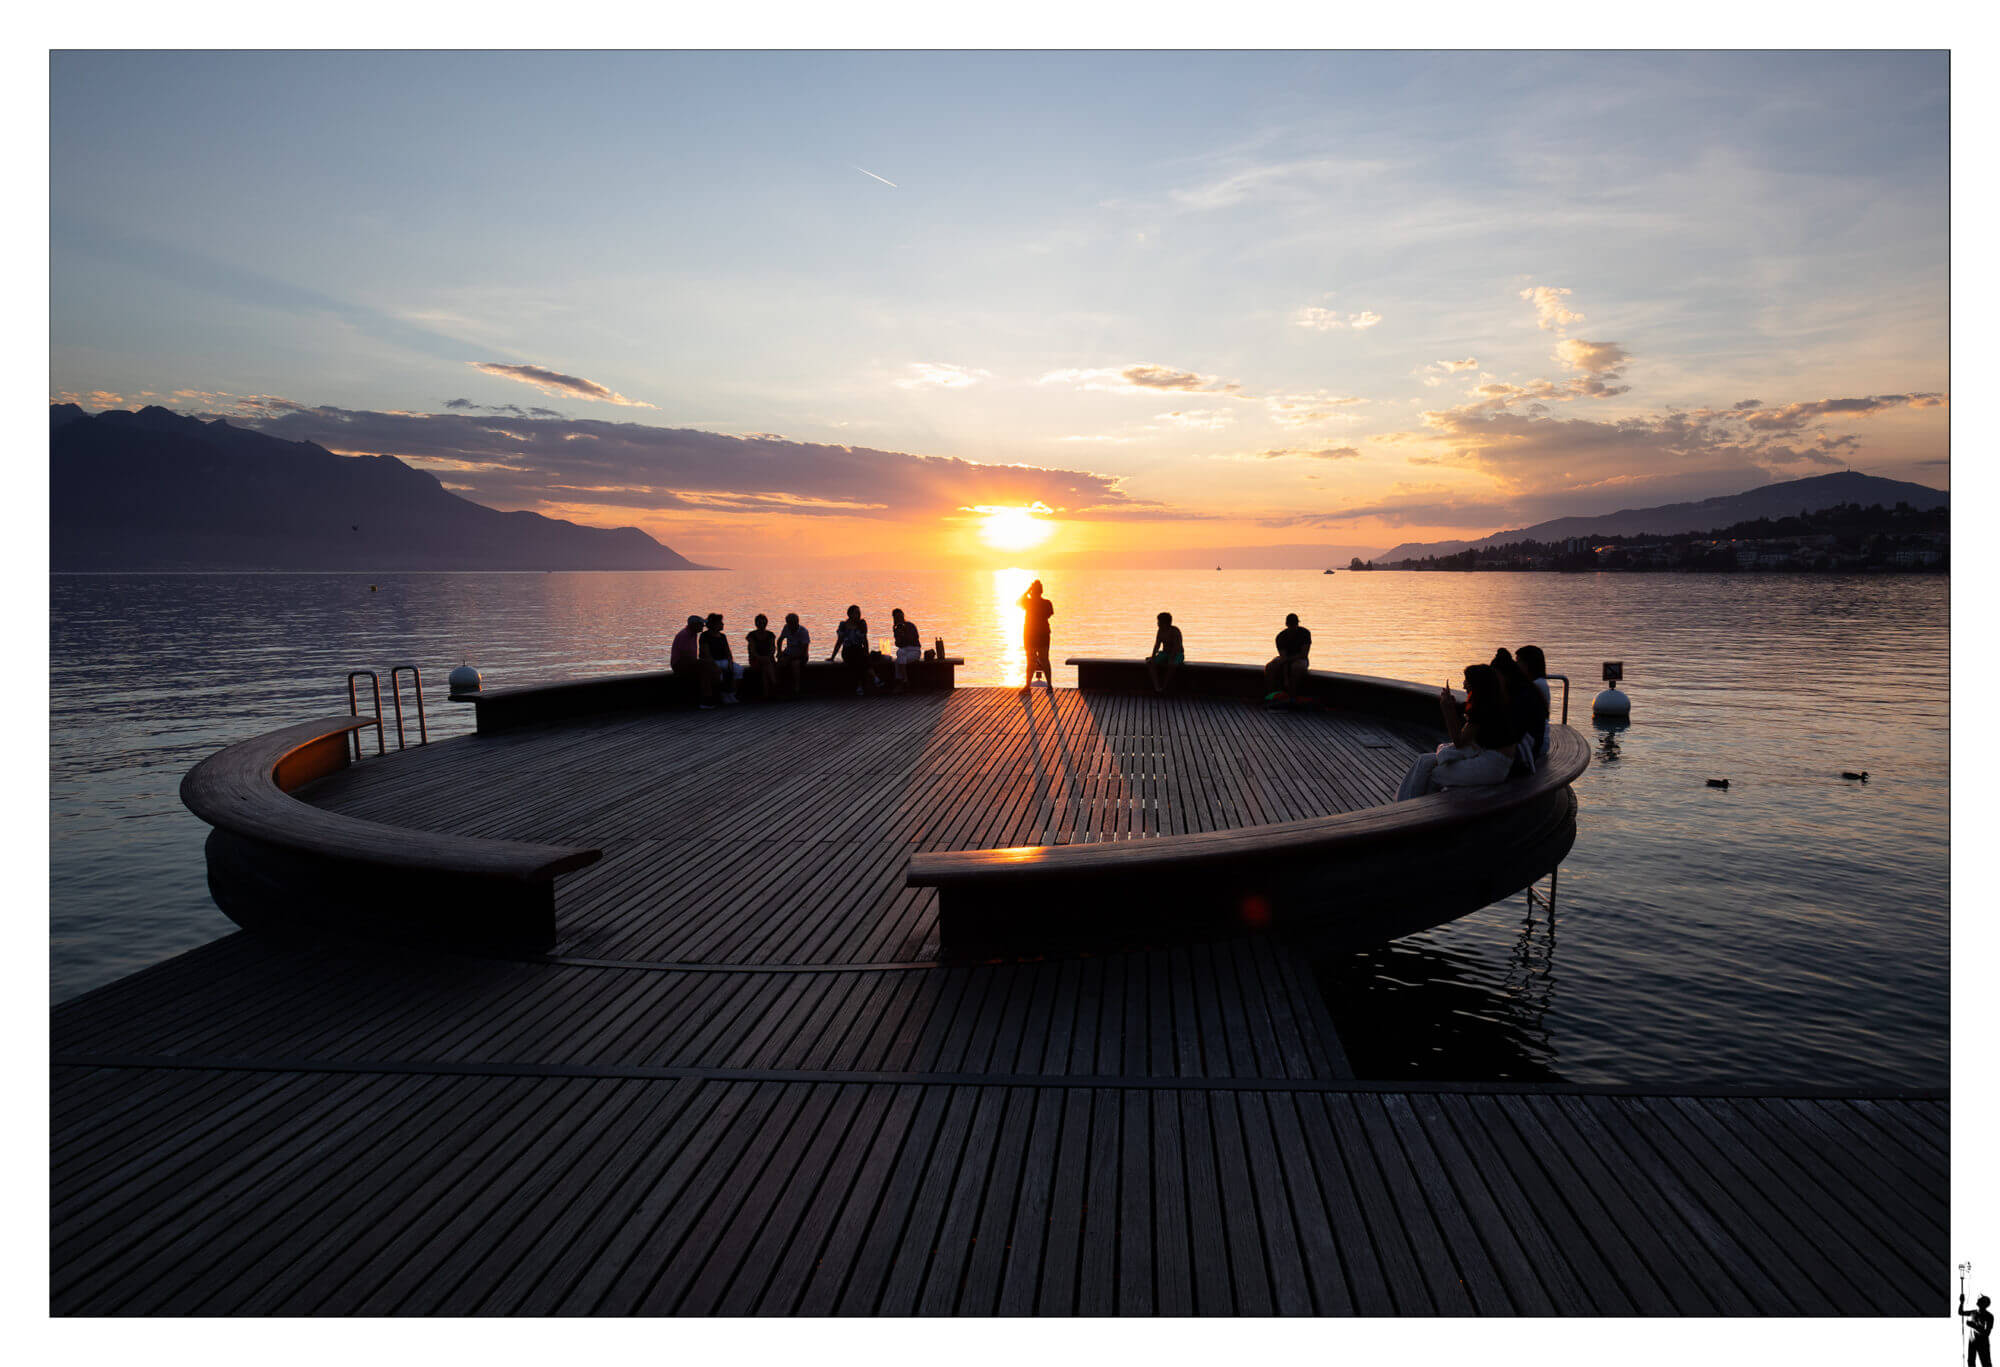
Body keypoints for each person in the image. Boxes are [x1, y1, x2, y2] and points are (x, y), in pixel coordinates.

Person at [1395, 663, 1523, 799]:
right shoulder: (1493, 703)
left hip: (1493, 766)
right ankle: (1403, 804)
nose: (1463, 685)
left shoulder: (1485, 709)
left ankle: (1416, 811)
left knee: (1435, 774)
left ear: (1477, 684)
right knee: (1424, 760)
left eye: (1467, 681)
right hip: (1490, 759)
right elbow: (1464, 738)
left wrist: (1447, 709)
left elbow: (1459, 742)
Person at [1491, 647, 1549, 771]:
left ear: (1528, 664)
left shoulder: (1534, 687)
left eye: (1518, 661)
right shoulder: (1533, 685)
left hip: (1535, 744)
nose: (1516, 665)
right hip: (1535, 739)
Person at [828, 604, 873, 696]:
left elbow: (865, 640)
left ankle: (860, 686)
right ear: (850, 614)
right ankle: (873, 679)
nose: (859, 615)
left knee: (861, 658)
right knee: (858, 659)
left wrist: (867, 652)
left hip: (859, 650)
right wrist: (832, 656)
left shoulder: (862, 624)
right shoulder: (843, 625)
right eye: (856, 613)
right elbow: (839, 642)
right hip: (848, 651)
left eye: (859, 613)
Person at [697, 612, 740, 707]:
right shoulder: (705, 636)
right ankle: (721, 695)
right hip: (712, 661)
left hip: (723, 660)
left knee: (737, 669)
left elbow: (728, 652)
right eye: (720, 623)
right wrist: (714, 664)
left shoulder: (722, 636)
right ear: (713, 624)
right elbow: (706, 653)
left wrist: (730, 662)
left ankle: (731, 693)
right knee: (718, 672)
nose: (722, 624)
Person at [1019, 580, 1054, 691]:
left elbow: (1018, 601)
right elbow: (1049, 614)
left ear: (1032, 592)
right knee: (1045, 659)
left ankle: (1028, 686)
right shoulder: (1047, 603)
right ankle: (1049, 686)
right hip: (1043, 634)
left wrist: (1028, 590)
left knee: (1030, 660)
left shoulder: (1028, 603)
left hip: (1031, 635)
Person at [1265, 612, 1311, 697]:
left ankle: (1292, 695)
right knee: (1269, 667)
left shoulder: (1305, 633)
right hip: (1285, 658)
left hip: (1300, 659)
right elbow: (1283, 657)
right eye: (1291, 624)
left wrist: (1287, 661)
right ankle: (1270, 694)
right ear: (1286, 624)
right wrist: (1286, 678)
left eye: (1295, 624)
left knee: (1296, 667)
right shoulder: (1280, 637)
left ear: (1298, 624)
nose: (1293, 627)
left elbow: (1304, 654)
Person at [670, 613, 704, 702]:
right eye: (701, 624)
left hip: (688, 662)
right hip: (680, 664)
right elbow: (685, 655)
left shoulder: (693, 634)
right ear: (694, 625)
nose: (703, 626)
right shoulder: (684, 635)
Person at [1147, 612, 1184, 694]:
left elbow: (1177, 646)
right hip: (1165, 653)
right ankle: (1157, 686)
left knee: (1172, 665)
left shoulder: (1175, 631)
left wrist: (1171, 658)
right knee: (1151, 663)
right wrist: (1153, 656)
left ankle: (1164, 686)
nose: (1158, 623)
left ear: (1165, 623)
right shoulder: (1160, 631)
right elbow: (1157, 645)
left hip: (1177, 654)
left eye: (1159, 622)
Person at [888, 608, 923, 691]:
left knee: (898, 660)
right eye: (897, 617)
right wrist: (897, 634)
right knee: (900, 653)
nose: (900, 618)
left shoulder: (910, 626)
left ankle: (901, 681)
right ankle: (904, 680)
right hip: (904, 651)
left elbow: (914, 639)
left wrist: (903, 633)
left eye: (901, 616)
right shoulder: (897, 628)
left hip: (914, 650)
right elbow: (898, 644)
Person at [745, 613, 779, 700]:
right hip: (755, 659)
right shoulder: (751, 635)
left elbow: (773, 649)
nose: (762, 625)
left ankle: (766, 694)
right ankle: (774, 687)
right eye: (760, 623)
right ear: (756, 624)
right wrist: (761, 658)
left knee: (765, 668)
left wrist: (767, 657)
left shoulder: (770, 635)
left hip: (768, 660)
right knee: (766, 665)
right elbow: (752, 651)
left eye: (764, 623)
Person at [777, 612, 809, 697]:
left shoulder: (803, 631)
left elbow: (804, 650)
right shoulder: (786, 628)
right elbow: (780, 640)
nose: (791, 626)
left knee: (795, 664)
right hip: (788, 653)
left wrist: (790, 658)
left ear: (797, 622)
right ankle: (781, 688)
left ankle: (796, 689)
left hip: (801, 655)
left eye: (793, 623)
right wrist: (779, 652)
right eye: (789, 623)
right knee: (779, 663)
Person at [1964, 1292, 1993, 1367]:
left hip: (1982, 1343)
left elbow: (1987, 1333)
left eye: (1980, 1300)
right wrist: (1961, 1302)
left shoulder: (1989, 1316)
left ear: (1984, 1304)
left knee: (1986, 1363)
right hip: (1972, 1342)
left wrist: (1973, 1326)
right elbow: (1960, 1312)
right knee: (1971, 1362)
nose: (1978, 1300)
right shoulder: (1973, 1312)